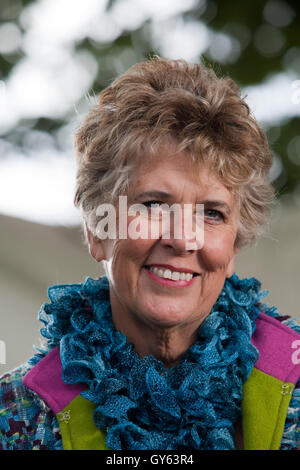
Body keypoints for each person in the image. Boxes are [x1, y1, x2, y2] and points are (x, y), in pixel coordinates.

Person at [0, 57, 299, 451]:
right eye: (154, 205)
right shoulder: (18, 412)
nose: (183, 238)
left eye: (212, 213)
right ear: (96, 231)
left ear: (233, 247)